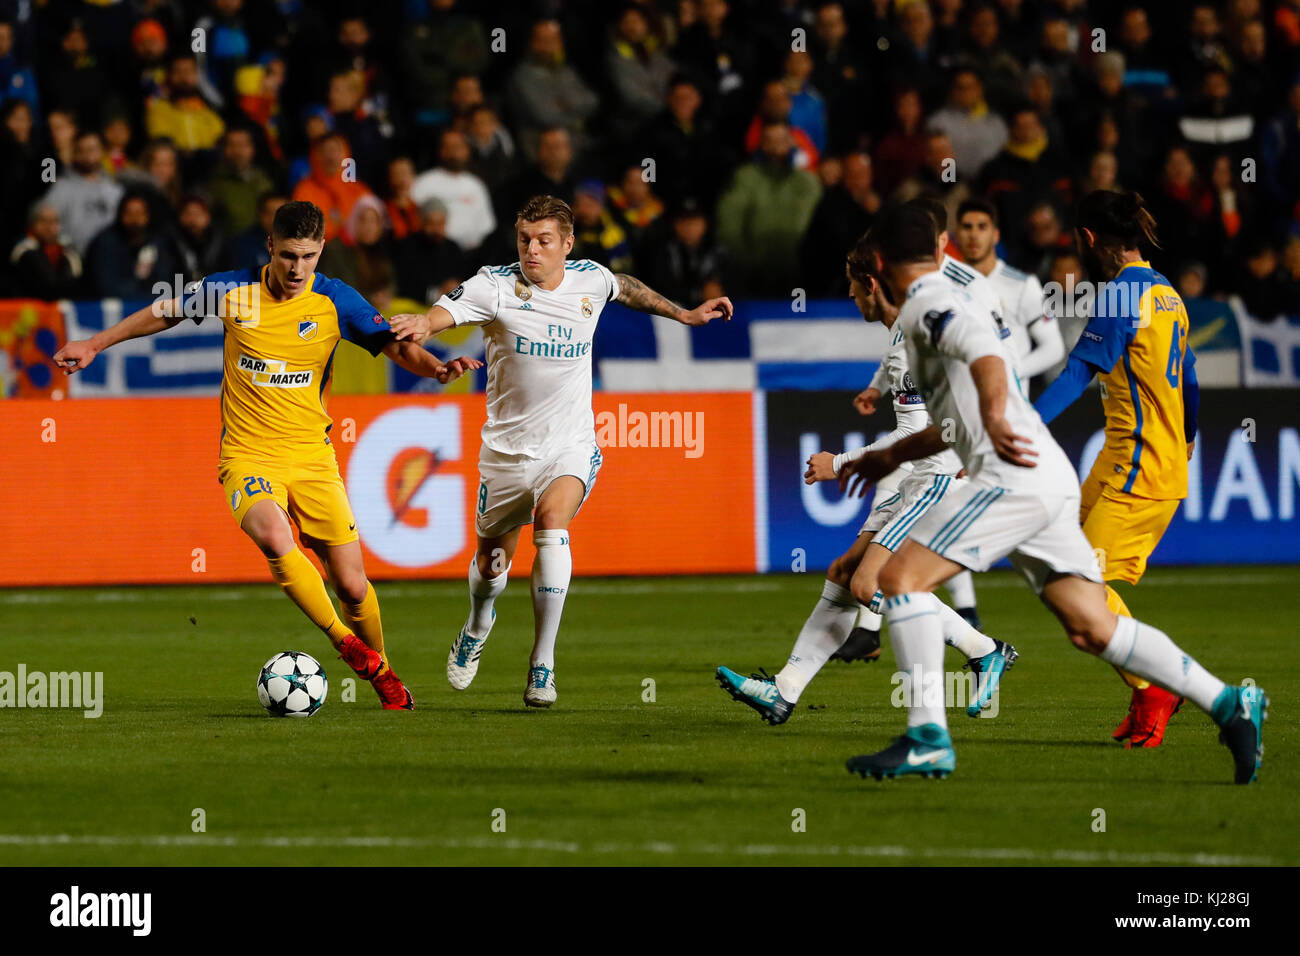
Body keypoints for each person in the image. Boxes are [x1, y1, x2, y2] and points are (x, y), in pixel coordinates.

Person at [836, 201, 1264, 784]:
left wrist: (995, 414)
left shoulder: (927, 305)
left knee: (896, 580)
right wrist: (890, 454)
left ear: (879, 263)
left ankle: (926, 737)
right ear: (938, 251)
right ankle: (1229, 704)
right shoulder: (946, 295)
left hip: (1011, 478)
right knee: (1092, 625)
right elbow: (967, 403)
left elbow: (986, 358)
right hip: (1048, 476)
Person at [53, 200, 482, 710]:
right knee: (276, 537)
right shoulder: (231, 289)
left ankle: (381, 670)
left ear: (321, 249)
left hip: (311, 457)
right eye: (287, 256)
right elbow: (163, 313)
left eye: (307, 256)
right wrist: (97, 344)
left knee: (351, 583)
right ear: (270, 249)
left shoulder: (336, 300)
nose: (297, 269)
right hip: (248, 454)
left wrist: (436, 369)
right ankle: (344, 643)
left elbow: (392, 344)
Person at [387, 195, 732, 708]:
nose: (531, 250)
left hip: (569, 444)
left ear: (567, 245)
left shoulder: (591, 278)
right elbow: (446, 312)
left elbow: (626, 288)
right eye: (525, 239)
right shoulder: (496, 285)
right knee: (491, 563)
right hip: (506, 452)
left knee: (553, 525)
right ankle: (479, 623)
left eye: (544, 241)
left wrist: (682, 313)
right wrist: (424, 323)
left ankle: (542, 663)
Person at [716, 230, 1015, 726]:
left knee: (868, 585)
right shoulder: (906, 333)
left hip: (938, 477)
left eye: (854, 287)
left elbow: (918, 431)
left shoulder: (912, 339)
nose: (851, 297)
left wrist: (842, 463)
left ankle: (984, 651)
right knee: (842, 573)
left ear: (873, 284)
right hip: (920, 475)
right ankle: (784, 689)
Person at [1033, 190, 1202, 749]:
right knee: (1063, 573)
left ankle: (1158, 687)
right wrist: (1191, 436)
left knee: (1084, 591)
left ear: (1087, 239)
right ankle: (1145, 691)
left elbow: (1080, 371)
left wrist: (1021, 426)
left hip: (1142, 468)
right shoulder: (1166, 293)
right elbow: (1192, 379)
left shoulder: (1121, 293)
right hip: (1125, 459)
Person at [953, 197, 1065, 385]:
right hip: (956, 407)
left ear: (996, 235)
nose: (974, 235)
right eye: (967, 227)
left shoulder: (1024, 285)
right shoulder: (943, 285)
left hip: (1009, 408)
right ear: (956, 235)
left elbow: (1053, 348)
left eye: (982, 227)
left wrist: (1008, 373)